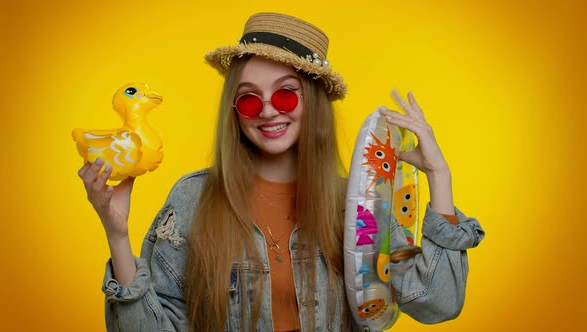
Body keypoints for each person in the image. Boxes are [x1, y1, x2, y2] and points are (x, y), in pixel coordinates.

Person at [77, 12, 484, 332]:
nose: (268, 109)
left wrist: (439, 177)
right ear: (235, 114)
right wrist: (117, 234)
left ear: (313, 103)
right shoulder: (193, 199)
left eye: (286, 94)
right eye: (250, 100)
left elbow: (439, 304)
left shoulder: (360, 204)